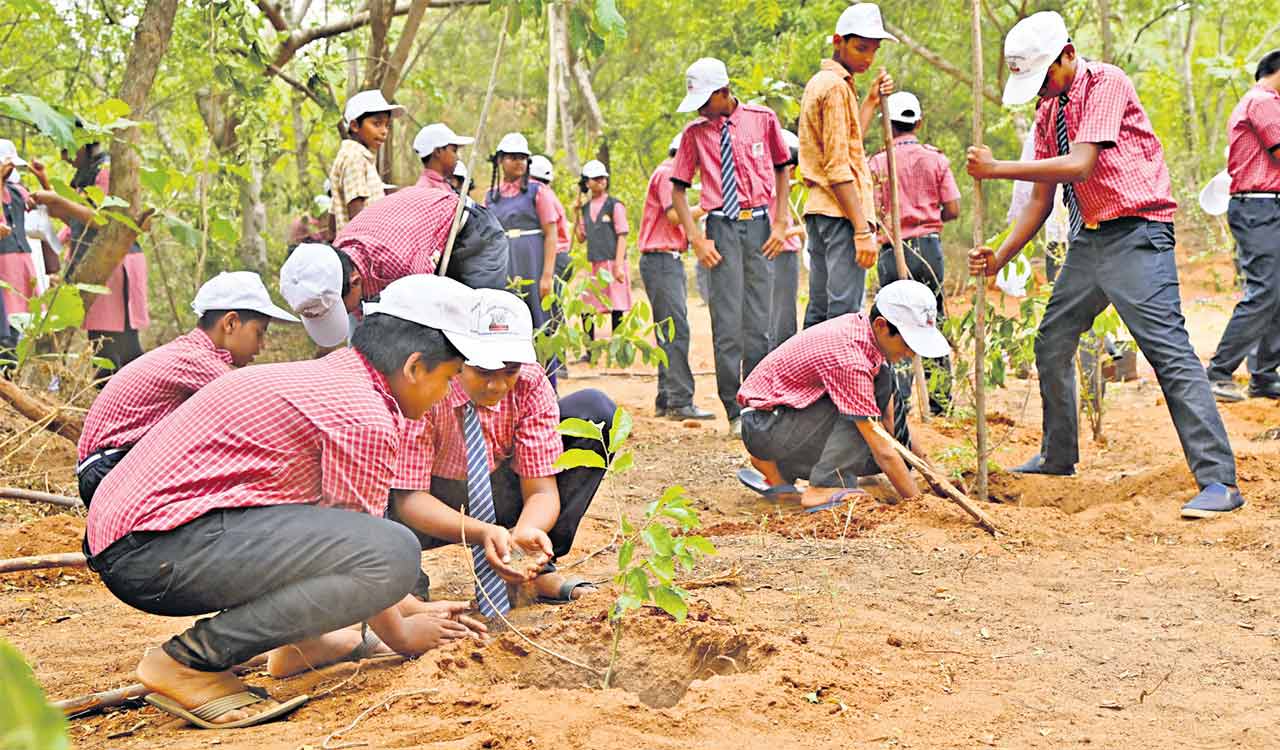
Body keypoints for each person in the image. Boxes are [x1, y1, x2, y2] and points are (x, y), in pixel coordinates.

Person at [82, 275, 494, 730]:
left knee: (361, 542)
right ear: (416, 367)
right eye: (449, 378)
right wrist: (402, 635)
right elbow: (366, 555)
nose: (446, 395)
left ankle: (305, 642)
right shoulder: (364, 415)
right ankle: (187, 660)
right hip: (149, 551)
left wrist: (415, 610)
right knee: (394, 552)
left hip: (141, 537)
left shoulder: (333, 377)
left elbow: (326, 533)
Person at [966, 10, 1243, 518]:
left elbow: (1081, 163)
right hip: (1088, 244)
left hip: (1137, 236)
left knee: (1169, 354)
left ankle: (1219, 481)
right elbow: (1040, 201)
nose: (1043, 90)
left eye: (1045, 76)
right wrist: (999, 256)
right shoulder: (1049, 111)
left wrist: (997, 168)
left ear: (1068, 55)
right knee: (1052, 340)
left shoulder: (1107, 82)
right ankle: (1058, 454)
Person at [389, 288, 615, 611]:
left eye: (509, 370)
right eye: (482, 371)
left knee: (595, 412)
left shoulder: (530, 383)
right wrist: (482, 533)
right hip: (424, 501)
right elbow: (409, 499)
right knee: (373, 470)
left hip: (497, 491)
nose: (496, 385)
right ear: (457, 358)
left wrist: (527, 531)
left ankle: (533, 570)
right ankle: (405, 590)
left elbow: (541, 490)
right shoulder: (428, 384)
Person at [76, 272, 298, 506]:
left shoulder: (189, 353)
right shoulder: (196, 359)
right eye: (259, 333)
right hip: (107, 469)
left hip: (105, 467)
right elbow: (256, 408)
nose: (262, 346)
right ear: (230, 323)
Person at [736, 280, 949, 511]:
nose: (910, 352)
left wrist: (934, 474)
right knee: (867, 416)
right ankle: (825, 487)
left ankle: (777, 469)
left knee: (890, 431)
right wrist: (918, 506)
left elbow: (893, 425)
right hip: (766, 424)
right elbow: (882, 448)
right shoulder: (850, 358)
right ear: (881, 325)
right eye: (908, 342)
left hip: (778, 421)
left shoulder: (867, 337)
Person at [669, 57, 792, 435]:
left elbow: (783, 167)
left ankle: (757, 404)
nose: (703, 111)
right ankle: (733, 408)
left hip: (758, 226)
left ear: (724, 92)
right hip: (720, 229)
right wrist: (697, 239)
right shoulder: (694, 134)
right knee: (726, 324)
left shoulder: (763, 119)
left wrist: (781, 221)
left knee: (760, 321)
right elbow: (678, 189)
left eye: (707, 101)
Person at [797, 3, 895, 327]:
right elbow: (839, 168)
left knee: (821, 309)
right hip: (841, 214)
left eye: (873, 50)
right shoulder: (836, 88)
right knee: (843, 314)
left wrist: (869, 100)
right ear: (839, 41)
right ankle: (836, 378)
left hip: (822, 211)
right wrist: (862, 229)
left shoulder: (823, 83)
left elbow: (848, 144)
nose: (868, 58)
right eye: (860, 48)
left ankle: (808, 377)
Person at [868, 91, 960, 415]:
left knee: (894, 322)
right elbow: (953, 207)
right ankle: (940, 401)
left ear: (887, 126)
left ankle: (899, 399)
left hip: (892, 250)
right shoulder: (936, 159)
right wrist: (930, 217)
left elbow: (871, 211)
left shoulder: (877, 163)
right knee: (932, 319)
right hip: (928, 249)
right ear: (918, 122)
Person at [1204, 51, 1280, 403]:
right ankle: (1219, 371)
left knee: (1276, 291)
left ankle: (1264, 375)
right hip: (1260, 207)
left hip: (1266, 206)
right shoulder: (1263, 101)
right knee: (1264, 290)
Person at [51, 141, 151, 380]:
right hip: (96, 261)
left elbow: (105, 222)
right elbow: (78, 223)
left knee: (116, 344)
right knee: (105, 341)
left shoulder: (104, 172)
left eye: (68, 149)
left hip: (113, 262)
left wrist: (60, 202)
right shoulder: (85, 175)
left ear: (84, 147)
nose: (64, 157)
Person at [638, 133, 713, 420]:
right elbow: (673, 215)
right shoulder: (668, 173)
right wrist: (705, 206)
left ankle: (666, 399)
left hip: (664, 261)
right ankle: (680, 401)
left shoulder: (665, 173)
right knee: (676, 330)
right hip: (661, 260)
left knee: (667, 330)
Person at [329, 90, 403, 231]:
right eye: (377, 124)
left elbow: (332, 220)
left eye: (387, 125)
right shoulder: (355, 157)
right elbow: (358, 217)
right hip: (364, 246)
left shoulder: (356, 156)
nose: (384, 131)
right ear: (355, 126)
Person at [575, 160, 631, 341]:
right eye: (595, 179)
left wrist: (619, 265)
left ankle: (619, 346)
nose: (600, 182)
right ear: (586, 183)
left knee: (617, 306)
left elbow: (622, 234)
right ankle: (589, 348)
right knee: (588, 306)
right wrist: (575, 214)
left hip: (614, 261)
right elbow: (581, 237)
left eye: (603, 178)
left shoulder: (615, 205)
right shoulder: (584, 209)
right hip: (595, 263)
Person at [770, 129, 806, 351]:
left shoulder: (767, 188)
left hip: (777, 256)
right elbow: (775, 232)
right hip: (781, 256)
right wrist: (799, 231)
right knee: (783, 316)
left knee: (775, 312)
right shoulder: (775, 191)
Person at [0, 140, 39, 329]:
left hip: (23, 258)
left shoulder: (17, 191)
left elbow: (44, 207)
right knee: (7, 318)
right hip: (4, 262)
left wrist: (43, 179)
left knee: (23, 318)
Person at [414, 122, 475, 193]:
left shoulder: (442, 186)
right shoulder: (430, 191)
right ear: (438, 152)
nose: (457, 158)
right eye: (454, 151)